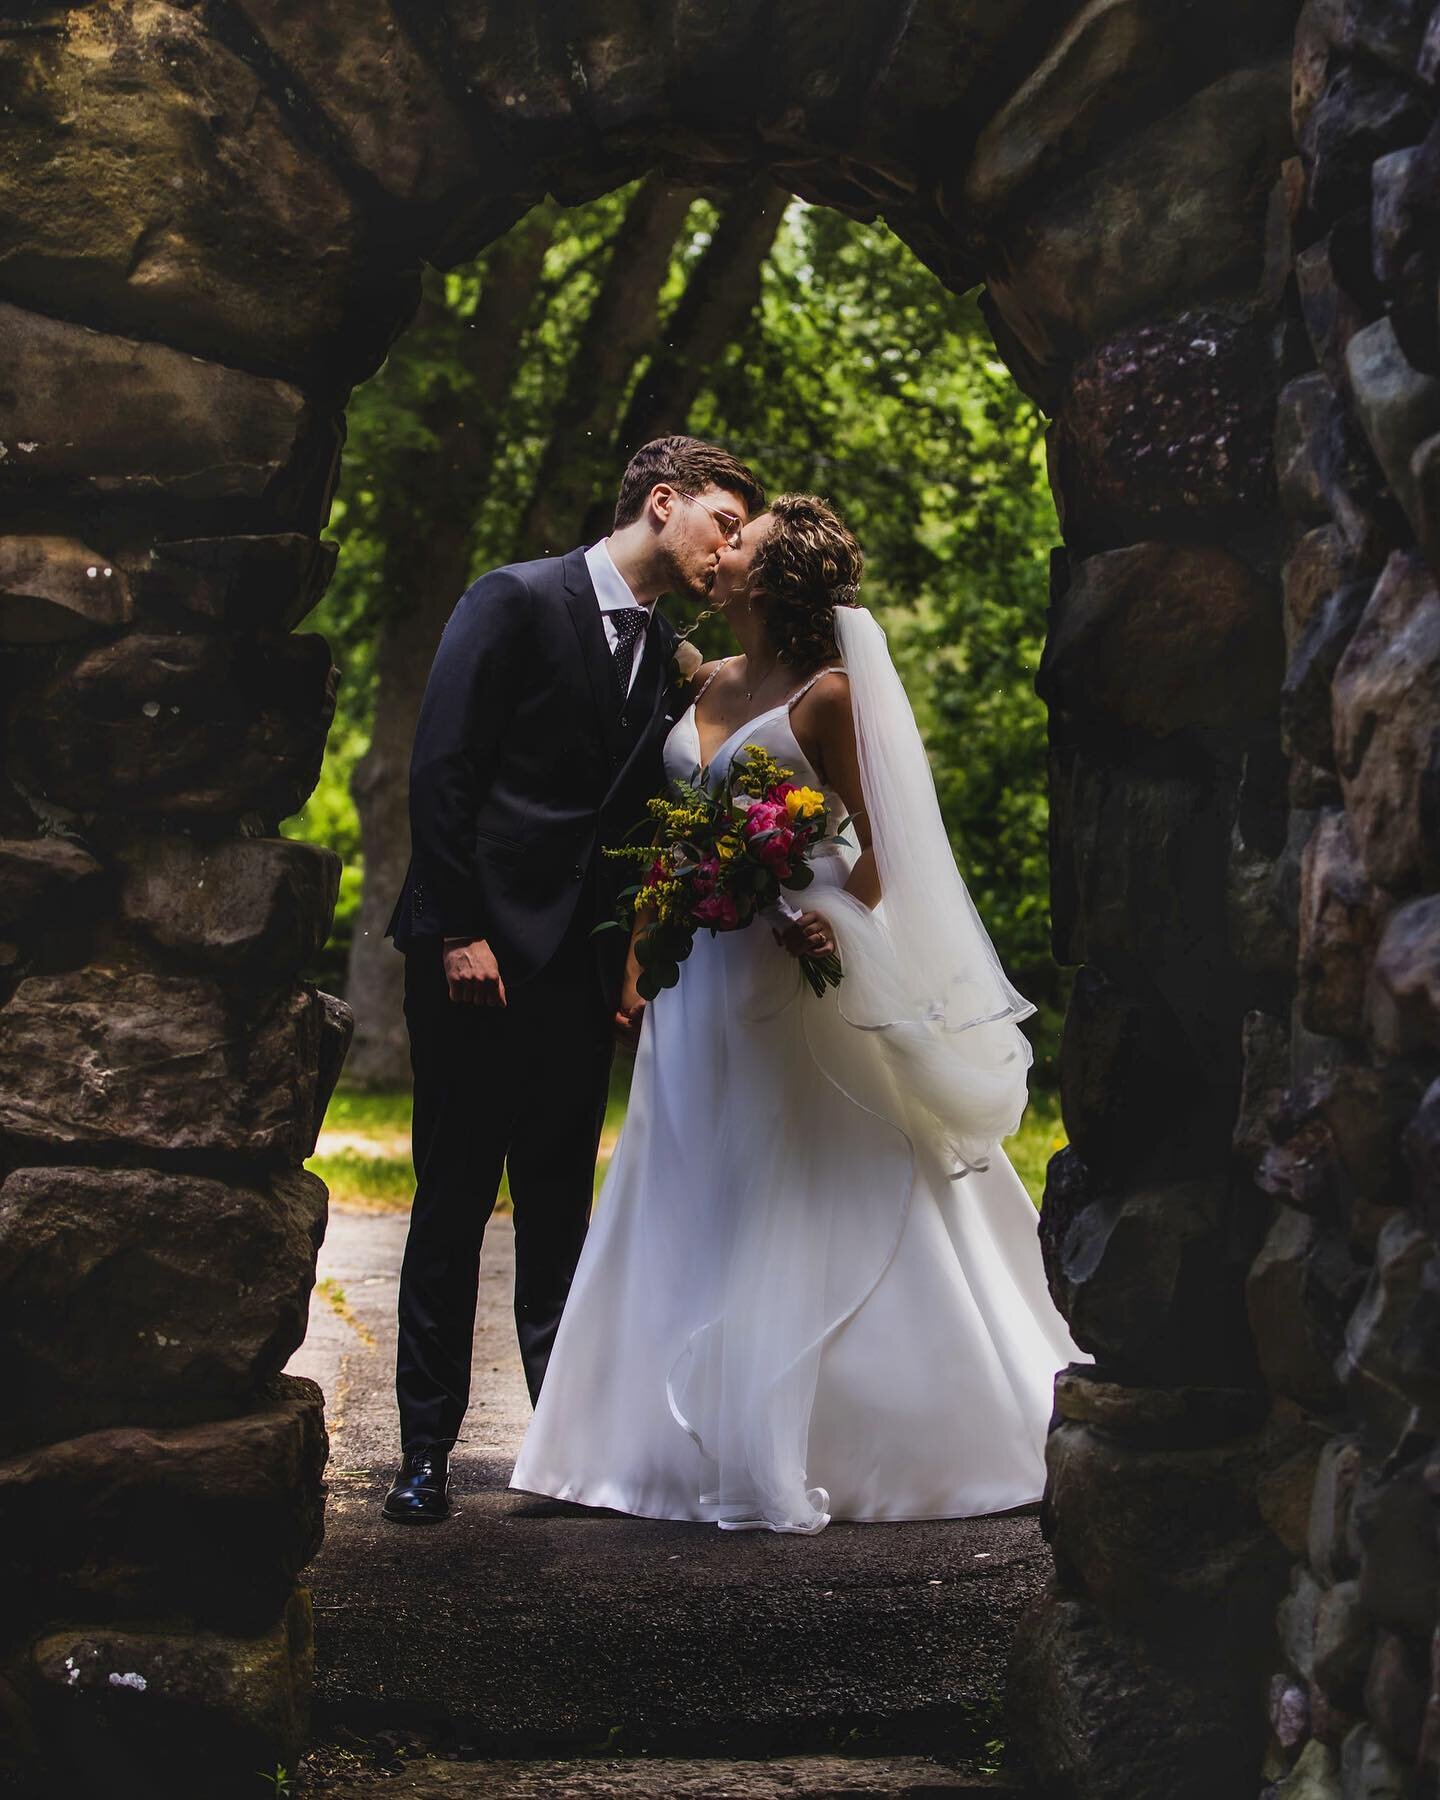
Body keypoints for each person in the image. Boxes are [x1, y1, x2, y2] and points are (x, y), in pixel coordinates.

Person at [510, 494, 1083, 1533]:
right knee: (686, 1170)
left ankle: (889, 1436)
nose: (722, 553)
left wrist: (827, 918)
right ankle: (633, 1450)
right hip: (701, 971)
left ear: (773, 582)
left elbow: (884, 853)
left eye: (744, 544)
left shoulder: (827, 697)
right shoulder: (704, 678)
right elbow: (677, 827)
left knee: (799, 1175)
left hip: (786, 973)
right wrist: (652, 931)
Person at [381, 436, 766, 1524]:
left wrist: (639, 955)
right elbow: (443, 770)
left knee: (560, 1210)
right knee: (452, 1203)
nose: (730, 551)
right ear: (661, 503)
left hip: (578, 975)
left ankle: (560, 1450)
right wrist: (457, 930)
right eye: (723, 526)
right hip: (474, 961)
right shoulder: (509, 600)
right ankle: (422, 1454)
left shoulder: (667, 653)